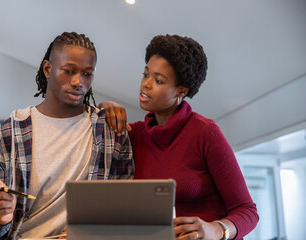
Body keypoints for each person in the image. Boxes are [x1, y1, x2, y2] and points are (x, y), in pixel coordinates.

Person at [0, 32, 134, 239]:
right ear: (48, 69)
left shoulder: (110, 131)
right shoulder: (7, 134)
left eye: (87, 73)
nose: (78, 81)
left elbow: (126, 207)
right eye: (69, 71)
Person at [100, 34, 259, 239]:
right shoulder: (135, 135)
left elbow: (248, 211)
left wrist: (216, 229)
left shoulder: (205, 132)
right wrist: (105, 108)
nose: (146, 84)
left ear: (181, 91)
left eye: (158, 80)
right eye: (145, 74)